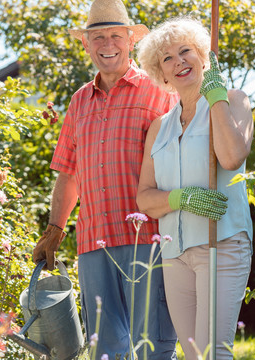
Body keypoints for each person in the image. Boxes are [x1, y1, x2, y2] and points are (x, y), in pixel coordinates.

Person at [32, 0, 178, 359]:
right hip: (94, 244)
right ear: (86, 43)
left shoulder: (160, 91)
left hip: (150, 238)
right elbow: (69, 173)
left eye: (116, 35)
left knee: (153, 346)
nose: (107, 44)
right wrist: (55, 229)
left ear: (131, 41)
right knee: (106, 351)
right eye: (98, 36)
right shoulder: (79, 101)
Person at [136, 17, 254, 360]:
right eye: (168, 58)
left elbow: (232, 158)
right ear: (162, 73)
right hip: (174, 255)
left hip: (223, 242)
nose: (179, 61)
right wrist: (181, 198)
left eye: (186, 51)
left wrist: (216, 97)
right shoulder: (159, 127)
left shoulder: (233, 99)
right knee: (192, 354)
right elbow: (145, 199)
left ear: (203, 55)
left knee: (213, 352)